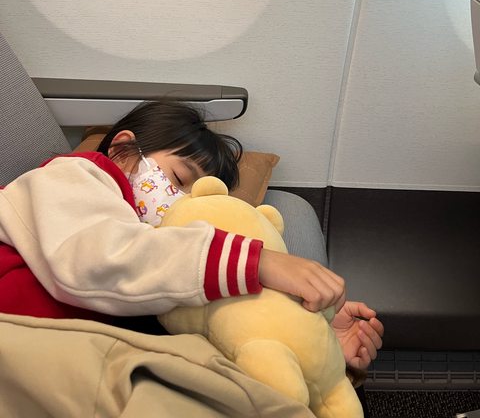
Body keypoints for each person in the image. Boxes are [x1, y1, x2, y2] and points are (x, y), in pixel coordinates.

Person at [0, 98, 382, 372]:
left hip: (72, 357)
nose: (180, 201)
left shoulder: (163, 259)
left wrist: (310, 332)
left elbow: (197, 310)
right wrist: (259, 262)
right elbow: (99, 262)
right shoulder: (77, 175)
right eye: (179, 178)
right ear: (123, 150)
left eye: (195, 195)